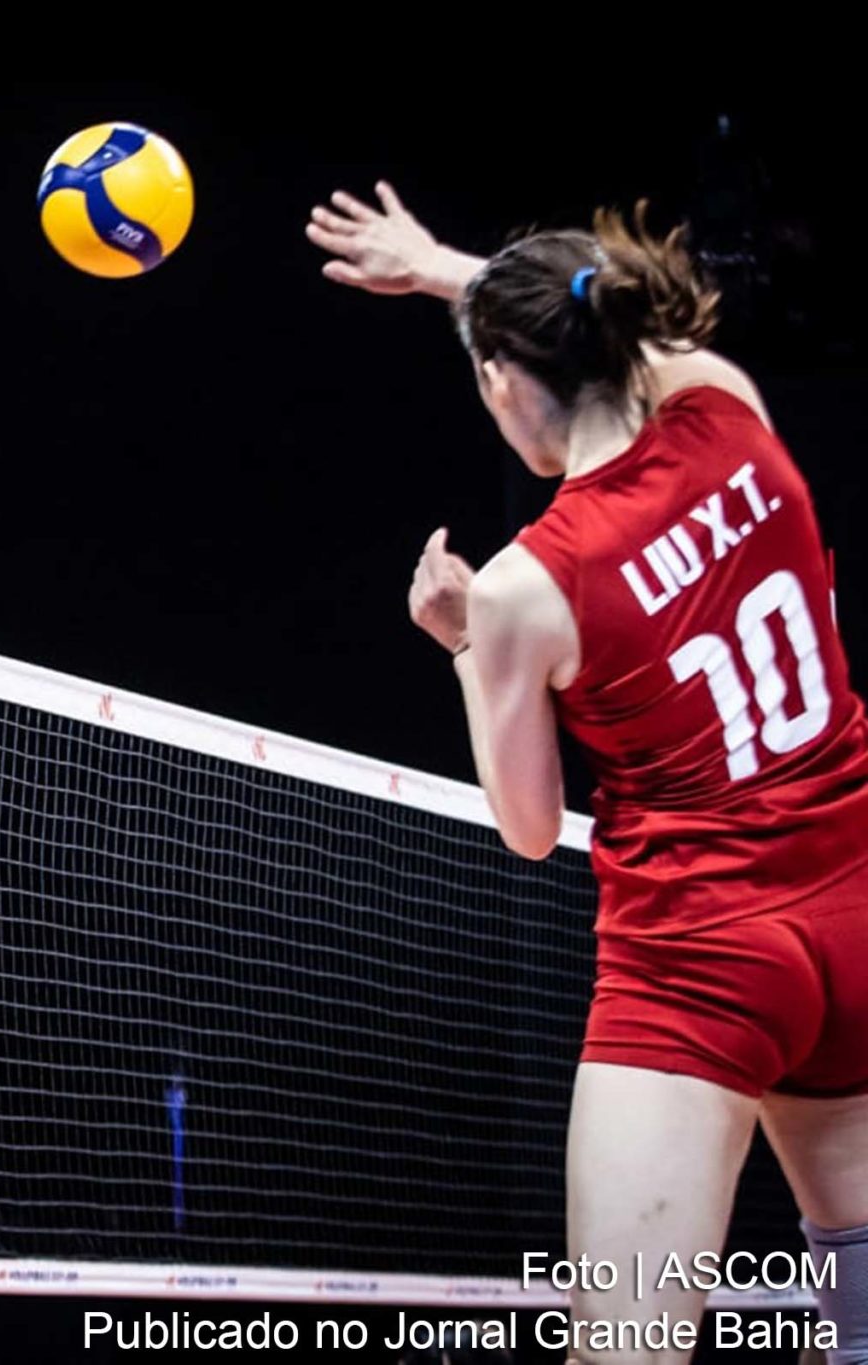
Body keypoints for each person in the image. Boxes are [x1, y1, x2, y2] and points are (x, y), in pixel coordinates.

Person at [311, 185, 868, 1364]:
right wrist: (444, 271)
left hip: (698, 959)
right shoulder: (721, 400)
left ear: (499, 382)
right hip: (851, 903)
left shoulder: (526, 586)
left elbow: (526, 827)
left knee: (624, 1349)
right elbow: (598, 332)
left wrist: (463, 642)